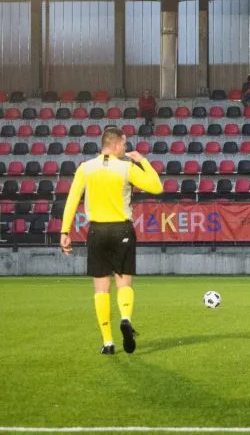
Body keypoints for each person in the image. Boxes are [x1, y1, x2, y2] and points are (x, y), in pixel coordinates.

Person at [60, 126, 163, 355]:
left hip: (97, 231)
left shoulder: (85, 168)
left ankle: (108, 342)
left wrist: (64, 231)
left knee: (101, 288)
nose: (126, 149)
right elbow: (157, 186)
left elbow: (72, 199)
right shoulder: (126, 168)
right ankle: (125, 318)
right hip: (121, 229)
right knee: (124, 282)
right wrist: (143, 161)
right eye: (124, 145)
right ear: (115, 144)